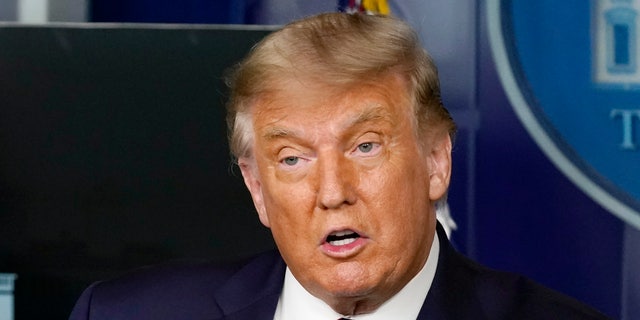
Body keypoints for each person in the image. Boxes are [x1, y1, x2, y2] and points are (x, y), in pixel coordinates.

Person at [69, 13, 610, 319]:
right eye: (292, 158)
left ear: (435, 161)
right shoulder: (123, 315)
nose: (332, 192)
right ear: (257, 188)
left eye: (365, 146)